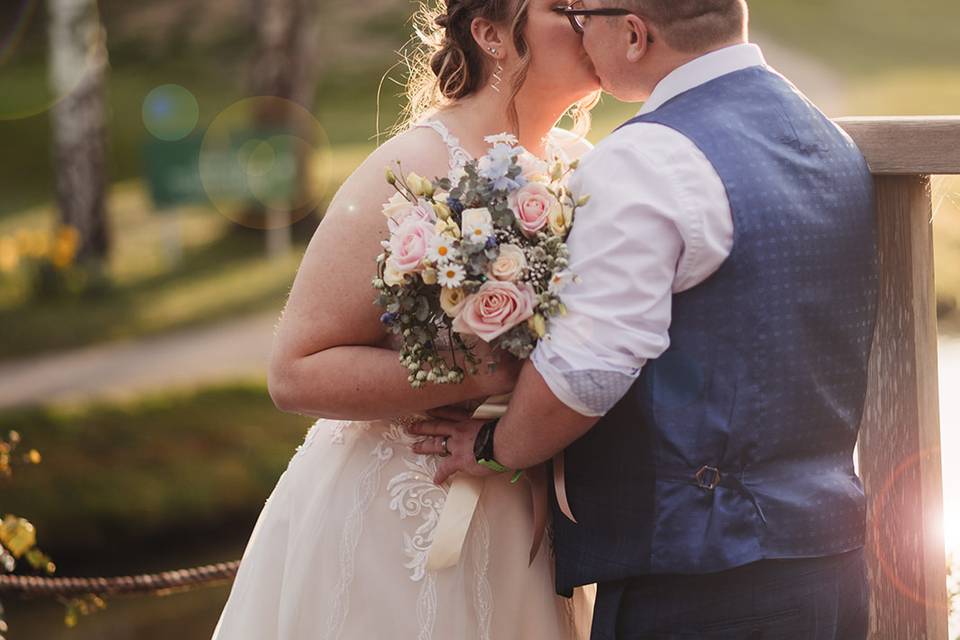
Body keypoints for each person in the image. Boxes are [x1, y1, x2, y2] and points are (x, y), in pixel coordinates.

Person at [409, 1, 880, 638]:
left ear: (633, 33)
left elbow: (588, 371)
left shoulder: (647, 156)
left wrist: (495, 446)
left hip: (699, 587)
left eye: (585, 16)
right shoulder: (827, 137)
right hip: (831, 566)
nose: (579, 31)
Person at [211, 1, 601, 638]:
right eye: (568, 8)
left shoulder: (583, 165)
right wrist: (482, 374)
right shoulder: (412, 168)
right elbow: (295, 371)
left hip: (527, 514)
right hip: (403, 519)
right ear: (491, 34)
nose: (598, 18)